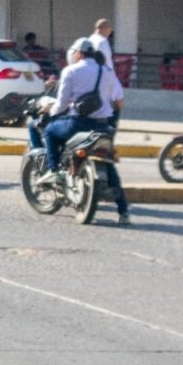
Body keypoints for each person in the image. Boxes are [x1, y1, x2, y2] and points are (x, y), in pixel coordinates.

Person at [34, 37, 130, 225]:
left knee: (52, 131)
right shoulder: (108, 71)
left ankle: (53, 169)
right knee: (109, 164)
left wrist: (50, 112)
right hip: (103, 126)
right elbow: (116, 98)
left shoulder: (70, 71)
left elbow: (62, 104)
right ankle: (123, 210)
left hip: (77, 124)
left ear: (78, 52)